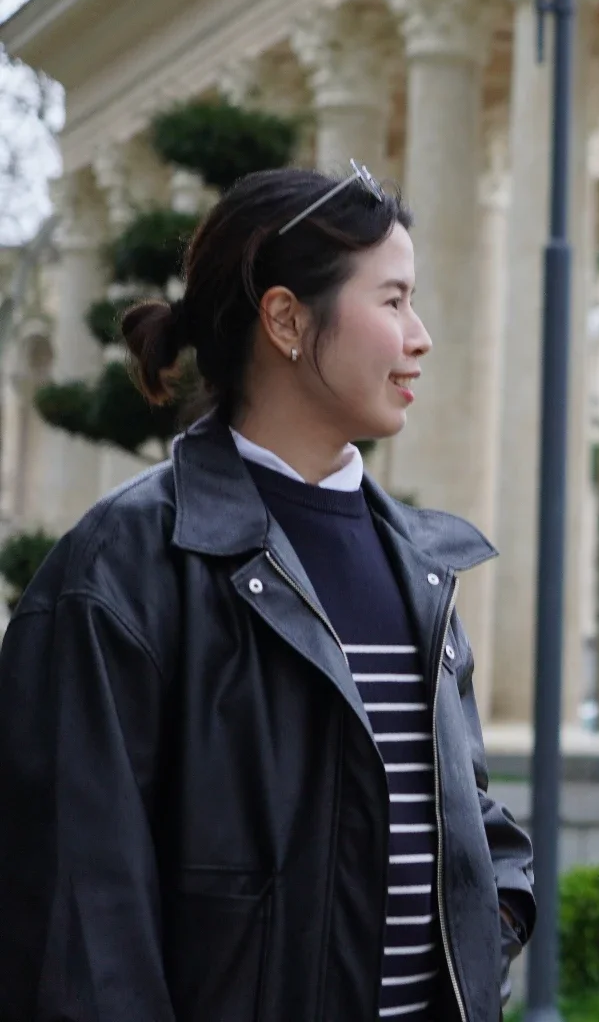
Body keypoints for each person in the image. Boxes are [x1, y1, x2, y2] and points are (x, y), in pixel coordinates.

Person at [0, 166, 535, 1021]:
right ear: (286, 318)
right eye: (393, 301)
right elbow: (83, 923)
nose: (421, 336)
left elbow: (476, 819)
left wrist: (494, 914)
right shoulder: (124, 569)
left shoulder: (421, 562)